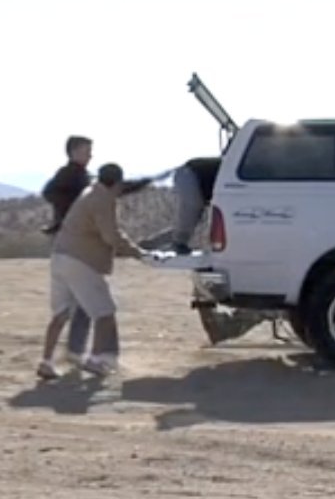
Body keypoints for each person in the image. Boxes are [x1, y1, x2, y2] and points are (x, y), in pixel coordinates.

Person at [39, 136, 158, 365]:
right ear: (73, 152)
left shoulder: (90, 185)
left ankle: (49, 361)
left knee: (65, 312)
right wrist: (137, 252)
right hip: (81, 257)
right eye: (86, 150)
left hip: (62, 253)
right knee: (104, 312)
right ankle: (101, 359)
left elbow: (111, 189)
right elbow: (111, 235)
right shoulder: (74, 178)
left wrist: (142, 183)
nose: (90, 155)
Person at [170, 156, 222, 255]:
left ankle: (156, 243)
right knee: (192, 208)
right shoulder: (231, 165)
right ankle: (179, 244)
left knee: (196, 217)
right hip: (190, 174)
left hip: (198, 181)